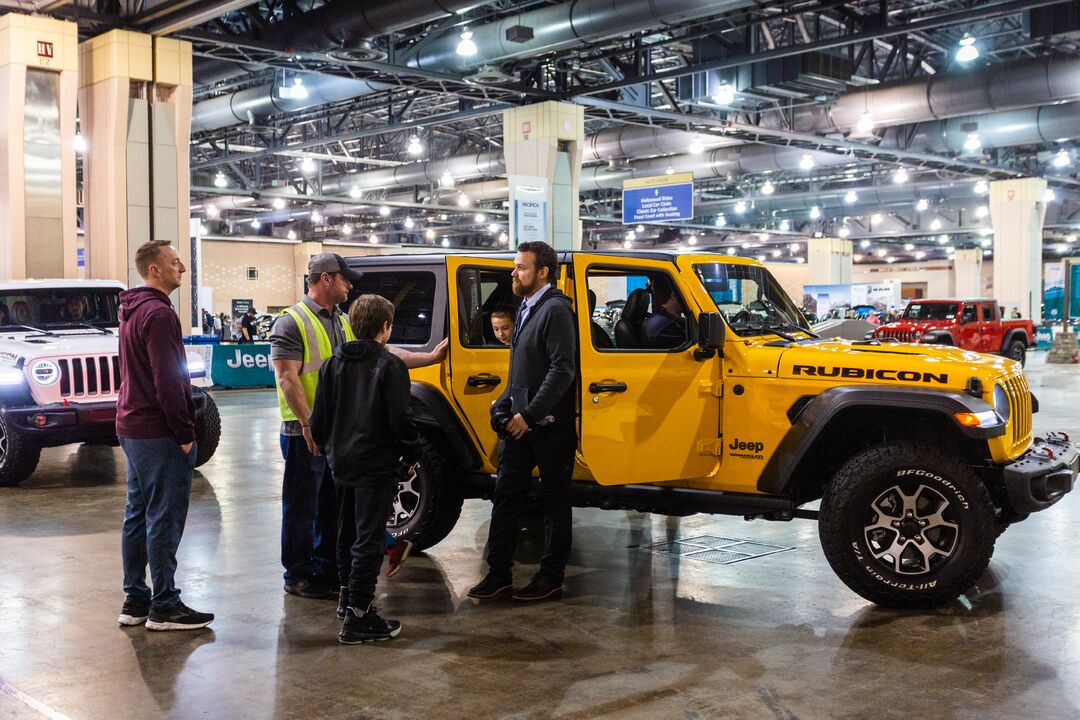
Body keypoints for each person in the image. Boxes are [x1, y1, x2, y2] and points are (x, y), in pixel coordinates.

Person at [269, 253, 447, 601]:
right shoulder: (291, 322)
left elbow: (381, 350)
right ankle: (298, 573)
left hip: (333, 432)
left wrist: (430, 358)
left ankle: (327, 568)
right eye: (344, 279)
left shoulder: (343, 321)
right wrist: (308, 424)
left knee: (330, 507)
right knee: (301, 506)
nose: (350, 285)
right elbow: (287, 378)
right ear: (324, 279)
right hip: (302, 430)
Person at [468, 241, 577, 602]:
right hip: (519, 425)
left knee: (554, 505)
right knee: (505, 498)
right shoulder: (526, 308)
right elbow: (521, 375)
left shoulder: (556, 310)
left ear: (542, 271)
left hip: (548, 427)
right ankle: (498, 574)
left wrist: (527, 415)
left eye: (521, 267)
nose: (513, 273)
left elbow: (562, 371)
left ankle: (551, 578)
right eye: (515, 267)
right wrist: (501, 406)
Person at [310, 294, 420, 644]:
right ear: (385, 328)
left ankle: (347, 599)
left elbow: (318, 421)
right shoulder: (389, 367)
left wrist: (331, 449)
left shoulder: (331, 365)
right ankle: (358, 616)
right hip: (375, 464)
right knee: (369, 539)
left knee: (346, 533)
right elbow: (400, 420)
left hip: (340, 462)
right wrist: (411, 453)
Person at [116, 240, 213, 631]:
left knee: (137, 515)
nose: (183, 269)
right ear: (154, 270)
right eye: (176, 263)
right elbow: (170, 379)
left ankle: (136, 600)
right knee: (164, 518)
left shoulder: (131, 310)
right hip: (158, 432)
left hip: (132, 427)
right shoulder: (158, 315)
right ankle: (165, 605)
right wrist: (185, 432)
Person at [640, 276, 687, 349]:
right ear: (673, 296)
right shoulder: (667, 327)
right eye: (684, 295)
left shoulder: (659, 320)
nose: (686, 300)